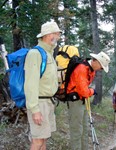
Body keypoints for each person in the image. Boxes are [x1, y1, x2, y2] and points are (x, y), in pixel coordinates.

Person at [24, 21, 61, 150]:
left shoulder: (48, 54)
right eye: (55, 34)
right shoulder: (35, 54)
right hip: (39, 104)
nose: (58, 37)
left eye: (58, 34)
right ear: (46, 35)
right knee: (37, 140)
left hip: (48, 103)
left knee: (44, 138)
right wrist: (35, 110)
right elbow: (30, 84)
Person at [67, 51, 110, 150]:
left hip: (82, 101)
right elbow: (84, 92)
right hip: (75, 102)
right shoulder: (82, 69)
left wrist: (89, 91)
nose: (101, 69)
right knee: (77, 130)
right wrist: (92, 91)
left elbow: (84, 89)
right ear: (97, 62)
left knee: (84, 129)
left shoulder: (91, 70)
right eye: (102, 67)